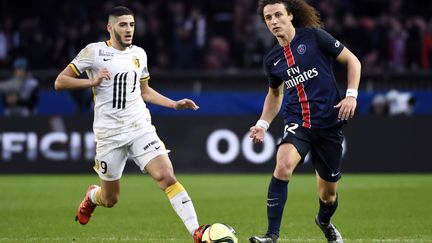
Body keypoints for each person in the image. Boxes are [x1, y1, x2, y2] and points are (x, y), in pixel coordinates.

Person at [54, 6, 209, 242]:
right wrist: (92, 82)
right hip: (109, 135)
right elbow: (60, 82)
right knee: (110, 199)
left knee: (166, 177)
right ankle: (92, 196)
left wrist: (173, 104)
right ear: (110, 27)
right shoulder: (93, 52)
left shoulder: (139, 54)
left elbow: (144, 91)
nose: (128, 30)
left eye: (132, 25)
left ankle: (196, 232)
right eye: (123, 25)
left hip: (139, 127)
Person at [248, 1, 361, 243]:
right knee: (283, 165)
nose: (274, 21)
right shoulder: (273, 60)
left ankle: (324, 221)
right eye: (268, 18)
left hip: (329, 124)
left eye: (278, 15)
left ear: (290, 15)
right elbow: (275, 95)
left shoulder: (314, 37)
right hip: (298, 121)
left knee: (329, 196)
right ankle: (271, 235)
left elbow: (353, 61)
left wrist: (351, 95)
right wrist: (263, 123)